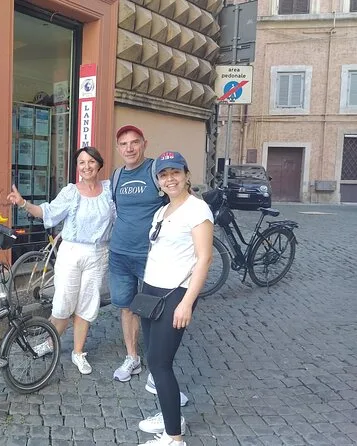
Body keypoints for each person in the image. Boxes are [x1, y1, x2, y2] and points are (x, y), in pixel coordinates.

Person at [7, 147, 114, 375]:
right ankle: (50, 341)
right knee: (64, 302)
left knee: (88, 302)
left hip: (99, 253)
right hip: (72, 251)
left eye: (91, 161)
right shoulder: (71, 192)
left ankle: (78, 352)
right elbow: (48, 212)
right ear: (77, 167)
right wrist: (23, 203)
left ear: (99, 164)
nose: (86, 166)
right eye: (81, 162)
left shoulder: (109, 190)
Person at [136, 151, 213, 446]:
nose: (170, 179)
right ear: (158, 180)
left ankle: (174, 437)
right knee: (153, 358)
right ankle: (171, 415)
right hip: (152, 291)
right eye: (164, 174)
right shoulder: (163, 210)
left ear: (186, 175)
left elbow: (204, 259)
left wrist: (186, 303)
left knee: (160, 363)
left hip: (176, 293)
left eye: (175, 173)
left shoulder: (198, 210)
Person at [109, 125, 165, 383]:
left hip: (151, 255)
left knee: (155, 308)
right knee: (127, 307)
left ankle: (158, 366)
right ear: (118, 148)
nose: (129, 148)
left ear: (144, 144)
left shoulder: (156, 170)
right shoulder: (117, 176)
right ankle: (132, 357)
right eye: (123, 144)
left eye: (134, 142)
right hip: (120, 254)